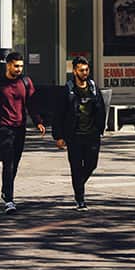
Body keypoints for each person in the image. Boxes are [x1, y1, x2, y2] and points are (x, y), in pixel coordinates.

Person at [0, 52, 46, 214]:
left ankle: (5, 190)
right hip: (4, 128)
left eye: (21, 66)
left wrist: (38, 121)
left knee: (15, 164)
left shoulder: (25, 82)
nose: (18, 69)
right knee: (8, 164)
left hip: (20, 128)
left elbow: (31, 103)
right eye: (16, 66)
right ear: (8, 65)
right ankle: (9, 200)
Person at [52, 56, 106, 210]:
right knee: (76, 166)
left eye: (86, 70)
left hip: (92, 135)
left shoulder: (93, 88)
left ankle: (78, 184)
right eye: (81, 70)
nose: (85, 73)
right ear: (74, 71)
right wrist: (59, 136)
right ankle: (80, 198)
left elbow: (101, 108)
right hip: (74, 135)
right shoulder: (67, 90)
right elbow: (59, 114)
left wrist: (101, 128)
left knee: (91, 165)